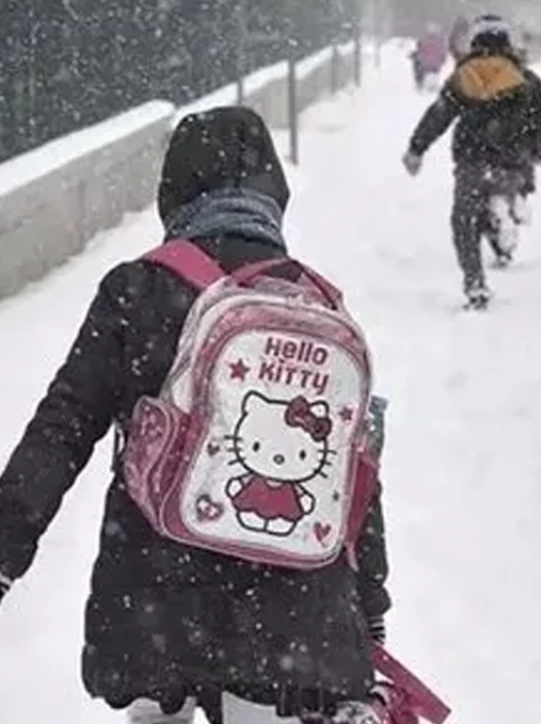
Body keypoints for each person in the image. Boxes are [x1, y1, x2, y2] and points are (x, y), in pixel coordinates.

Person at [0, 106, 392, 723]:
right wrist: (369, 605)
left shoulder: (138, 290)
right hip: (289, 616)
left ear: (173, 192)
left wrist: (6, 545)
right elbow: (355, 472)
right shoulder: (317, 305)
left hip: (155, 595)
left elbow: (64, 426)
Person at [402, 14, 541, 309]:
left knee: (464, 222)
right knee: (506, 191)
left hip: (472, 161)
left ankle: (475, 283)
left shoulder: (463, 77)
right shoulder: (527, 80)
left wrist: (416, 149)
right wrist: (538, 151)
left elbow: (439, 115)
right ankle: (511, 207)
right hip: (512, 161)